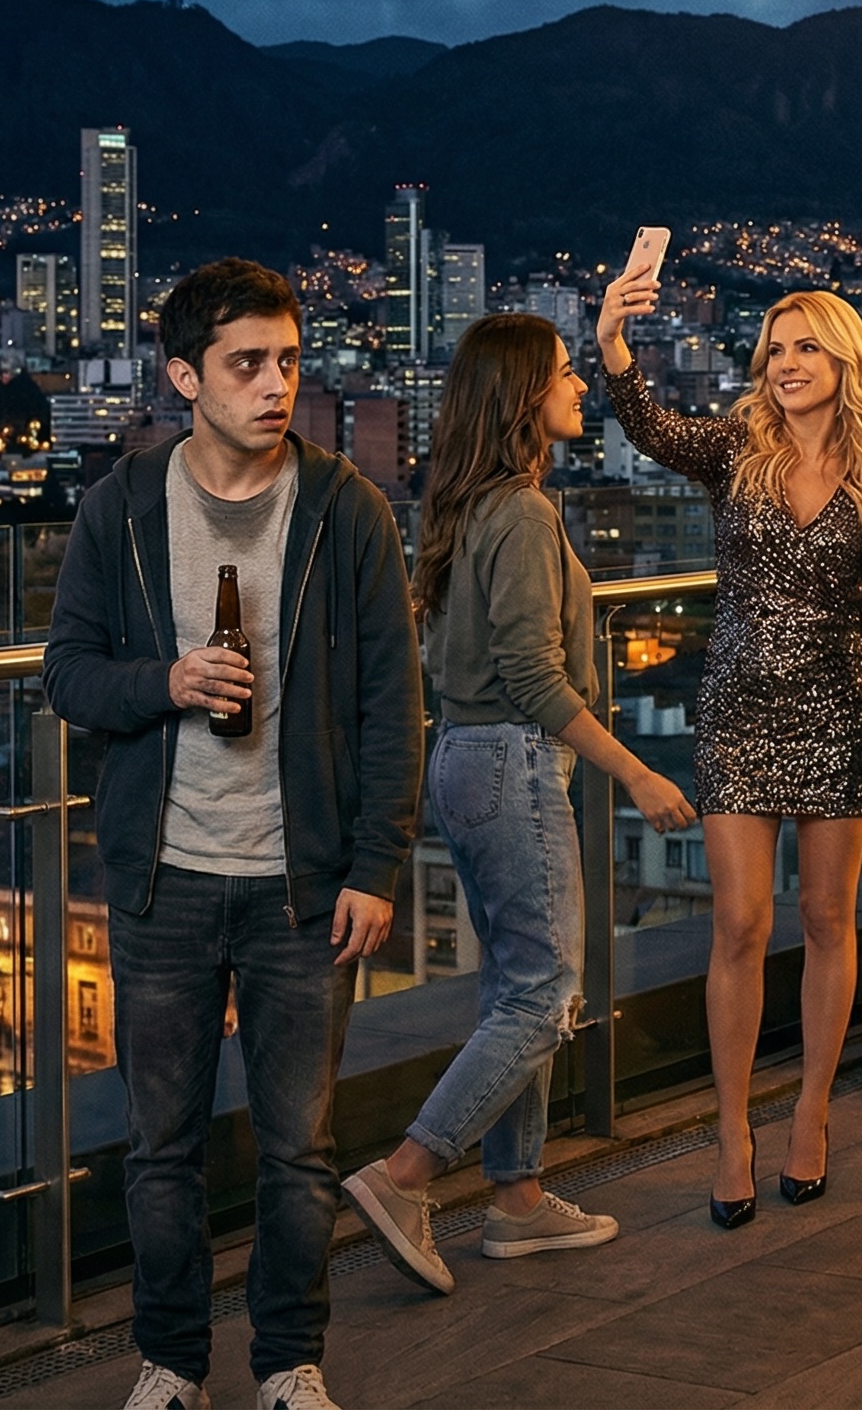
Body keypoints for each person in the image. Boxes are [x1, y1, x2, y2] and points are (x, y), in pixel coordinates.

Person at [43, 259, 421, 1410]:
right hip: (162, 880)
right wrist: (165, 677)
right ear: (182, 377)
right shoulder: (121, 508)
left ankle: (287, 1364)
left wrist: (376, 867)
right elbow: (68, 675)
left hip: (301, 891)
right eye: (246, 364)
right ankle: (169, 1363)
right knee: (161, 1150)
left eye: (288, 362)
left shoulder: (344, 507)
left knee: (298, 1153)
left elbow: (390, 703)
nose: (273, 385)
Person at [339, 314, 694, 1292]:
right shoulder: (525, 515)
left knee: (513, 987)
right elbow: (534, 676)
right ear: (523, 396)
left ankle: (520, 1199)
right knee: (548, 994)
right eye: (567, 374)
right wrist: (635, 770)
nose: (580, 387)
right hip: (511, 760)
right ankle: (407, 1174)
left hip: (457, 757)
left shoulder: (466, 504)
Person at [596, 280, 862, 1228]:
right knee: (738, 923)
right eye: (775, 349)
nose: (785, 364)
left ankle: (812, 1113)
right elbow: (650, 427)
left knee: (827, 917)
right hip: (737, 708)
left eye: (806, 348)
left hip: (838, 706)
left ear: (844, 361)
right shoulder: (737, 445)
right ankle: (732, 1132)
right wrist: (613, 340)